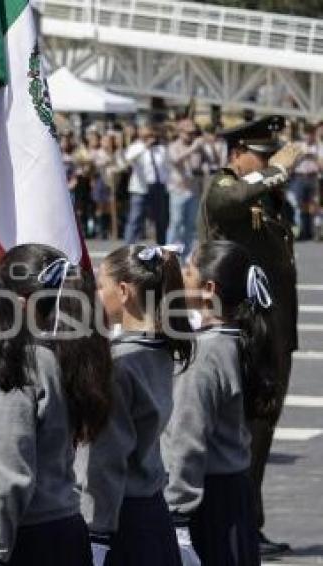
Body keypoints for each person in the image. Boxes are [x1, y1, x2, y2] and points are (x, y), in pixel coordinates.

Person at [198, 115, 302, 557]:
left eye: (269, 155)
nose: (267, 161)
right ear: (236, 153)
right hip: (243, 329)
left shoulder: (268, 196)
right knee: (239, 432)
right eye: (259, 154)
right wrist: (275, 170)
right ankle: (230, 520)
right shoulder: (222, 186)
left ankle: (249, 521)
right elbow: (228, 204)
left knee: (260, 433)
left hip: (273, 331)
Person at [0, 244, 113, 566]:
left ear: (19, 305)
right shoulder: (67, 353)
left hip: (28, 536)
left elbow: (8, 477)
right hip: (64, 526)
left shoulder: (18, 368)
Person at [78, 244, 194, 566]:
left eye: (102, 286)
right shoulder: (159, 347)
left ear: (125, 291)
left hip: (120, 519)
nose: (97, 295)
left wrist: (96, 534)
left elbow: (106, 459)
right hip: (152, 509)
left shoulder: (120, 363)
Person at [163, 240, 271, 566]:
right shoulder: (234, 337)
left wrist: (178, 515)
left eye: (189, 270)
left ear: (208, 288)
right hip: (233, 490)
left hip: (208, 503)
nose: (182, 274)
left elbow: (186, 438)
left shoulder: (206, 353)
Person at [123, 125, 171, 245]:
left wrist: (166, 183)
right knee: (135, 219)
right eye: (147, 136)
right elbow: (128, 158)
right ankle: (128, 247)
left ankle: (162, 247)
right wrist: (145, 147)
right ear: (141, 135)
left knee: (161, 220)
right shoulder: (135, 147)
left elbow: (165, 168)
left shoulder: (161, 149)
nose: (151, 138)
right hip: (140, 188)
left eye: (152, 135)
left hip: (158, 187)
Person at [167, 120, 206, 257]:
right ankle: (168, 254)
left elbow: (204, 165)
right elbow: (175, 160)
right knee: (176, 223)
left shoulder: (198, 147)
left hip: (194, 190)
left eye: (194, 133)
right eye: (188, 133)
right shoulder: (174, 146)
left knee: (190, 226)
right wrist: (192, 149)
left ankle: (184, 256)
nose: (191, 136)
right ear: (180, 132)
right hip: (178, 190)